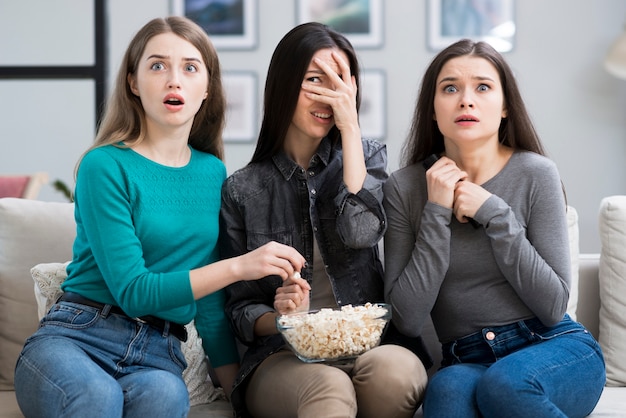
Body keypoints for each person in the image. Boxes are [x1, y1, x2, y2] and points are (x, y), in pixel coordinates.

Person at [13, 16, 304, 418]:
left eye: (189, 67)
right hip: (78, 337)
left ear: (206, 89)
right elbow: (134, 290)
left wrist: (239, 397)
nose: (174, 80)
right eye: (157, 65)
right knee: (98, 398)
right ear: (133, 83)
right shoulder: (104, 166)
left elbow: (207, 305)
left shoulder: (212, 173)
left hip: (157, 351)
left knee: (165, 398)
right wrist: (239, 266)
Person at [383, 38, 606, 418]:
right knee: (446, 396)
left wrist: (496, 215)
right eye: (450, 88)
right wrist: (436, 211)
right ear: (433, 110)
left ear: (504, 107)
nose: (465, 100)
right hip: (465, 358)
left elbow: (553, 306)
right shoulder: (404, 187)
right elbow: (407, 317)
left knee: (505, 385)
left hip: (551, 346)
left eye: (482, 87)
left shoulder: (536, 174)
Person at [219, 22, 429, 418]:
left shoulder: (367, 158)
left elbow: (361, 231)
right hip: (283, 357)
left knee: (399, 375)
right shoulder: (242, 190)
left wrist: (350, 128)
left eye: (340, 83)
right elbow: (239, 308)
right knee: (329, 388)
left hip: (368, 345)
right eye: (315, 80)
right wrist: (280, 317)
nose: (328, 96)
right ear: (283, 83)